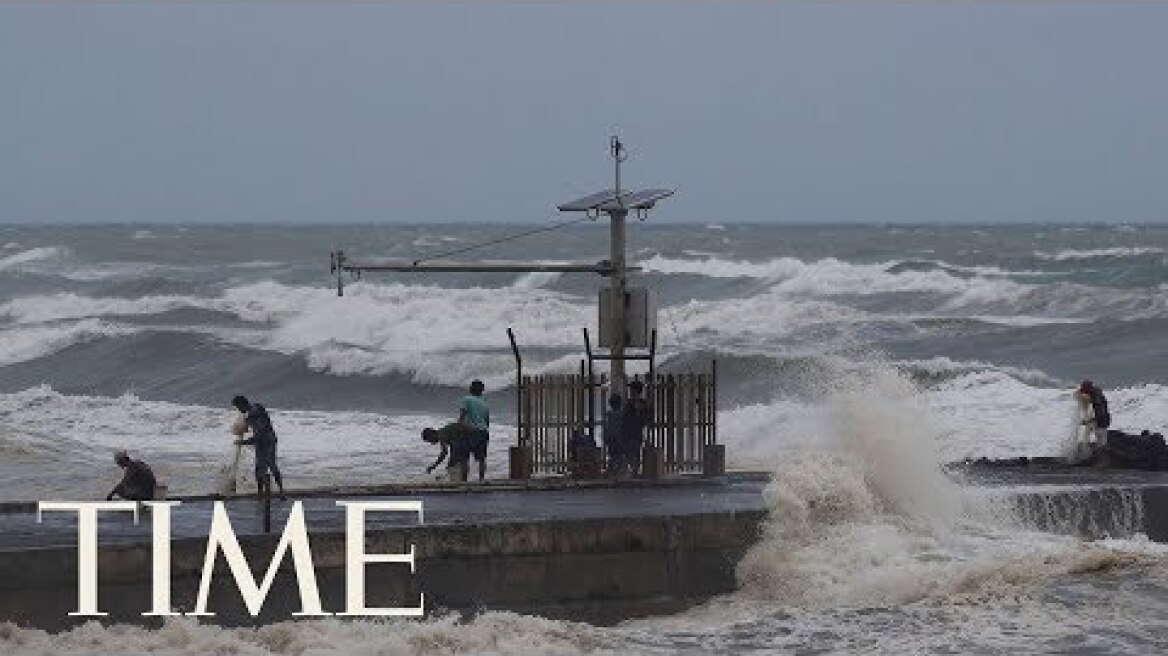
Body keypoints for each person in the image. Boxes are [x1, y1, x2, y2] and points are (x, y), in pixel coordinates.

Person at [232, 395, 286, 499]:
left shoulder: (255, 413)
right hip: (260, 442)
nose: (238, 410)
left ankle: (281, 492)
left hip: (268, 441)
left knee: (272, 465)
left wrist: (243, 442)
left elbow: (260, 433)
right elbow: (254, 430)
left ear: (243, 404)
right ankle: (260, 493)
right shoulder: (254, 411)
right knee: (259, 469)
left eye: (238, 407)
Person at [459, 380, 491, 482]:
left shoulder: (467, 399)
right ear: (482, 391)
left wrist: (459, 427)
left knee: (465, 457)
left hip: (471, 432)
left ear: (471, 389)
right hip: (483, 432)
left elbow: (462, 416)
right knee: (481, 458)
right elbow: (487, 422)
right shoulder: (485, 404)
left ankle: (464, 481)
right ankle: (481, 479)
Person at [623, 380, 651, 476]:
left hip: (635, 431)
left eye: (632, 390)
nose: (631, 392)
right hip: (628, 432)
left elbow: (646, 418)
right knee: (629, 452)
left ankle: (634, 471)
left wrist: (639, 411)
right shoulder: (629, 402)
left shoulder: (642, 403)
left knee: (634, 451)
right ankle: (632, 470)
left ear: (636, 391)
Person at [1079, 379, 1111, 447]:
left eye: (1084, 389)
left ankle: (1101, 451)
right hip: (1099, 420)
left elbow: (1101, 414)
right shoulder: (1093, 393)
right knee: (1087, 434)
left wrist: (1088, 421)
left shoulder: (1096, 398)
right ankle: (1086, 449)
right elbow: (1079, 393)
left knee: (1101, 441)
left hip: (1102, 422)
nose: (1084, 393)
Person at [603, 393, 626, 477]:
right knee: (619, 456)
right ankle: (620, 472)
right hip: (619, 438)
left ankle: (613, 471)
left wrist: (606, 438)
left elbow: (607, 428)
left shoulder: (609, 415)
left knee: (613, 456)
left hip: (612, 439)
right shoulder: (622, 414)